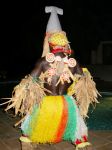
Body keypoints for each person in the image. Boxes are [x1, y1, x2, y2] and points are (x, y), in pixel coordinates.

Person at [4, 6, 100, 150]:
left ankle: (27, 142)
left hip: (46, 103)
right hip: (67, 103)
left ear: (51, 44)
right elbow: (84, 81)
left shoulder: (43, 61)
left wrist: (25, 97)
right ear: (65, 43)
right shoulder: (73, 62)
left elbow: (31, 82)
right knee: (78, 126)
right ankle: (82, 144)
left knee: (32, 121)